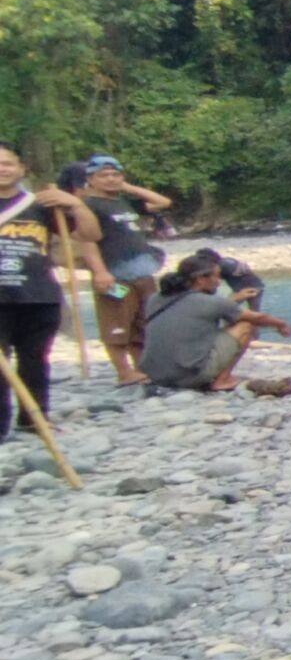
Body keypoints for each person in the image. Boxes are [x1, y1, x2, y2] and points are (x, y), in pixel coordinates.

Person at [0, 142, 102, 442]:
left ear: (22, 168)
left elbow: (90, 235)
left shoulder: (42, 205)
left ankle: (34, 419)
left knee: (35, 358)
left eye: (8, 163)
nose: (3, 169)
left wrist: (76, 205)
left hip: (38, 294)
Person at [76, 156, 169, 386]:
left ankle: (142, 367)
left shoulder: (125, 202)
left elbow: (162, 202)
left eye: (115, 174)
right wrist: (99, 272)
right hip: (114, 272)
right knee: (116, 322)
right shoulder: (88, 205)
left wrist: (126, 187)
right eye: (103, 175)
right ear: (91, 179)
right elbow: (87, 241)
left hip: (142, 271)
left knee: (142, 320)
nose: (110, 179)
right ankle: (123, 371)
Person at [137, 252, 290, 392]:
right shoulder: (211, 302)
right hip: (188, 377)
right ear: (200, 279)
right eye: (216, 277)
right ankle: (222, 380)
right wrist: (281, 324)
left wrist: (234, 300)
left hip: (156, 376)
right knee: (245, 326)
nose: (218, 282)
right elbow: (257, 318)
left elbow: (195, 311)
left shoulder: (155, 298)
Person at [190, 248, 265, 302]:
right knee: (254, 312)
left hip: (244, 289)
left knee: (229, 309)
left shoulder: (218, 266)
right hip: (256, 285)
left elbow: (215, 283)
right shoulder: (227, 260)